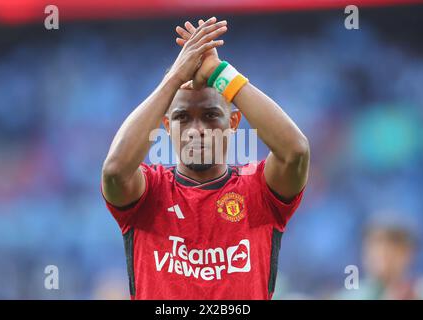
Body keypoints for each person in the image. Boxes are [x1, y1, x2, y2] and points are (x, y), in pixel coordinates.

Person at [101, 17, 310, 299]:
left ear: (233, 122)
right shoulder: (149, 192)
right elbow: (114, 171)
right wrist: (174, 78)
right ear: (165, 126)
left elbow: (295, 152)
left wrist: (221, 73)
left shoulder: (258, 191)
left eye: (211, 116)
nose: (197, 130)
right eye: (182, 118)